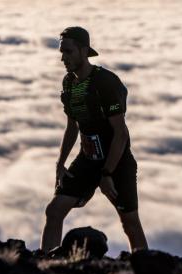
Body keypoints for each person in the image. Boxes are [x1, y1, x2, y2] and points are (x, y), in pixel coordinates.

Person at [41, 26, 148, 253]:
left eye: (68, 52)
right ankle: (47, 263)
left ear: (83, 50)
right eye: (61, 52)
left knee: (129, 223)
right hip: (88, 158)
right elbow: (72, 126)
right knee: (54, 211)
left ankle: (147, 266)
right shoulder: (69, 83)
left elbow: (121, 133)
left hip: (116, 161)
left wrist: (107, 173)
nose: (63, 58)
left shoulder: (106, 83)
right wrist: (60, 163)